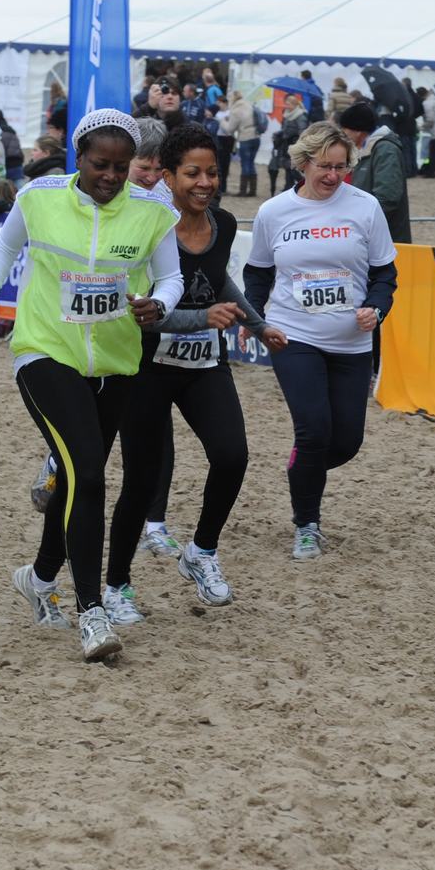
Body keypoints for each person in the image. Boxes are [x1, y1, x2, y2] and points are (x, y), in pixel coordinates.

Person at [0, 107, 182, 661]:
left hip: (114, 363)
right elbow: (3, 246)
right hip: (45, 351)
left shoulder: (153, 212)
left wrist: (160, 304)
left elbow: (171, 277)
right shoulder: (38, 197)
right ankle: (92, 611)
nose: (110, 176)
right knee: (88, 472)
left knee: (72, 477)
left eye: (120, 167)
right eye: (99, 165)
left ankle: (39, 578)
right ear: (78, 157)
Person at [105, 123, 285, 612]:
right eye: (192, 173)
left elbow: (217, 279)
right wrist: (201, 318)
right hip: (145, 366)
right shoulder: (146, 225)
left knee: (232, 456)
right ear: (167, 176)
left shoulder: (221, 223)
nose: (205, 183)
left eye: (212, 173)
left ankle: (201, 552)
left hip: (204, 362)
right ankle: (117, 586)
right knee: (141, 480)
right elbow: (141, 313)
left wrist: (258, 324)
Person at [243, 120, 398, 560]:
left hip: (351, 341)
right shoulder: (274, 211)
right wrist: (253, 316)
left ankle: (302, 469)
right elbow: (258, 273)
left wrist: (376, 308)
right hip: (293, 334)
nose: (333, 176)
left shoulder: (365, 207)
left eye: (341, 167)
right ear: (303, 162)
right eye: (325, 166)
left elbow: (385, 274)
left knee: (346, 441)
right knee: (313, 430)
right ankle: (307, 525)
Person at [337, 101, 412, 244]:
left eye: (345, 130)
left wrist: (357, 224)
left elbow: (387, 197)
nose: (343, 135)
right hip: (367, 234)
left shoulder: (385, 150)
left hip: (385, 238)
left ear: (358, 131)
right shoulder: (365, 149)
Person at [269, 95, 308, 195]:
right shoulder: (287, 114)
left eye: (289, 104)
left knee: (292, 168)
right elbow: (285, 129)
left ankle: (304, 185)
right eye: (286, 104)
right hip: (286, 144)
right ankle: (288, 187)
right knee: (288, 167)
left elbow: (303, 132)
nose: (286, 106)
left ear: (294, 105)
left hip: (294, 144)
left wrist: (297, 143)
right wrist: (279, 134)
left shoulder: (300, 116)